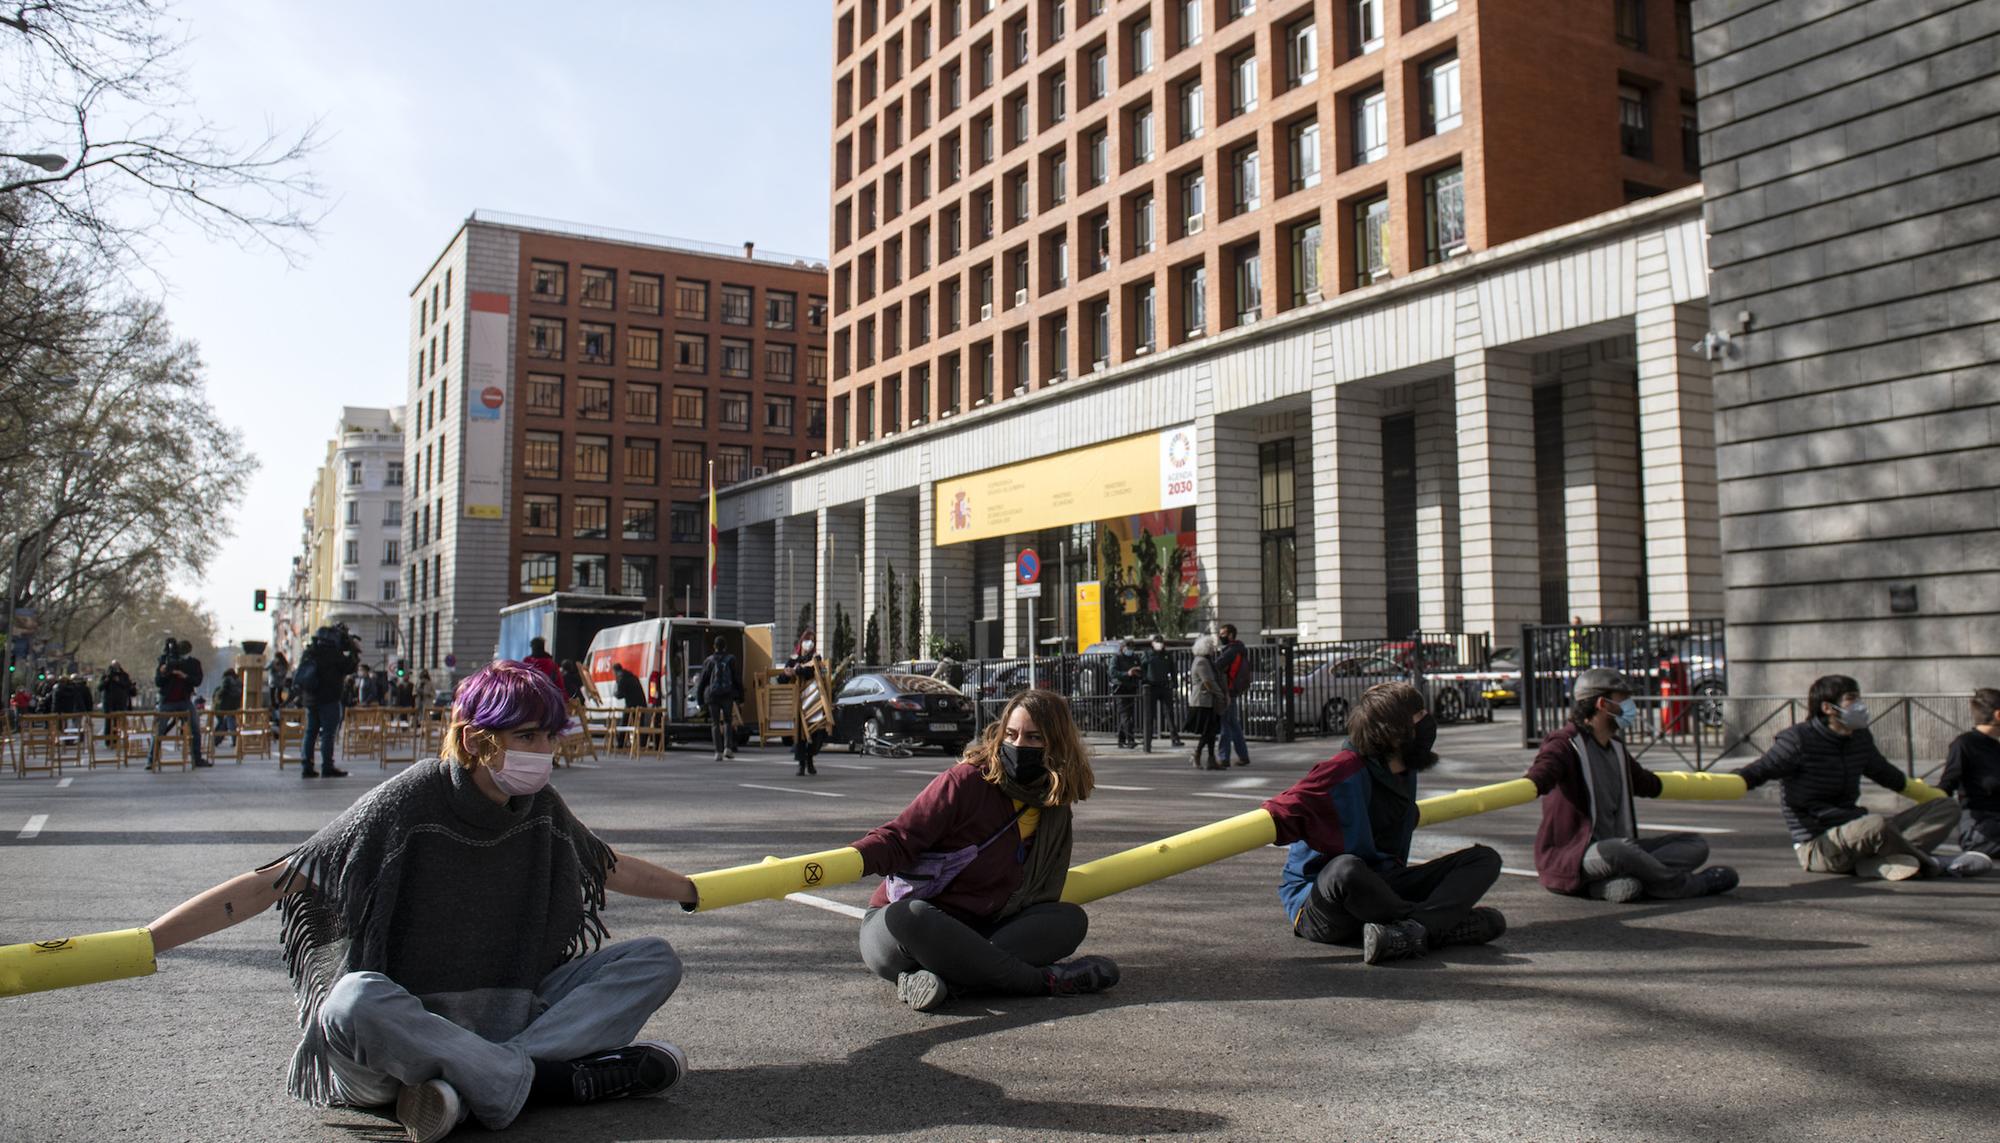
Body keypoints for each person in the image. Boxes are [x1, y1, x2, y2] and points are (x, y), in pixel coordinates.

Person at [139, 660, 698, 1141]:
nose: (545, 752)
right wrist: (147, 942)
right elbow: (272, 882)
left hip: (502, 1020)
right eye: (529, 737)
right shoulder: (407, 800)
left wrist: (692, 891)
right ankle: (544, 1081)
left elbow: (609, 867)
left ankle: (474, 1085)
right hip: (395, 1050)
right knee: (352, 1000)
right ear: (479, 739)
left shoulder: (541, 809)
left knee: (652, 960)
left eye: (551, 737)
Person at [854, 688, 1120, 1013]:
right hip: (908, 930)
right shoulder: (967, 781)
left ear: (1057, 744)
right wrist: (851, 860)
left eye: (1034, 738)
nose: (1019, 745)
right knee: (909, 915)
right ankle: (1043, 982)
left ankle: (940, 982)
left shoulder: (1053, 804)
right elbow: (901, 837)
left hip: (982, 928)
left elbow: (1039, 894)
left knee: (1068, 920)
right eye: (1011, 734)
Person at [1262, 681, 1505, 965]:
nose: (1428, 722)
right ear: (1395, 732)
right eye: (1419, 716)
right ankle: (1436, 925)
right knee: (1347, 869)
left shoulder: (1405, 771)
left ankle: (1413, 930)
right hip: (1322, 904)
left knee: (1483, 859)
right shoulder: (1341, 771)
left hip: (1385, 887)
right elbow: (1280, 809)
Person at [1527, 668, 1739, 903]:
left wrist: (1719, 783)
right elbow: (1544, 769)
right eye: (1623, 699)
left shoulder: (1616, 747)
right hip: (1574, 856)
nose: (1631, 706)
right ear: (1602, 704)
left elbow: (1647, 783)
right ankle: (1685, 885)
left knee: (1694, 845)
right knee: (1619, 850)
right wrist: (1533, 782)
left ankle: (1608, 887)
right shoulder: (1565, 744)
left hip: (1621, 850)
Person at [1733, 674, 1964, 881]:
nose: (1860, 706)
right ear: (1828, 708)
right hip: (1820, 845)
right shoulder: (1798, 740)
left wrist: (1931, 794)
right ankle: (1930, 864)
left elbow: (1887, 774)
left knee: (1946, 807)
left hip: (1857, 830)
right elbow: (1760, 770)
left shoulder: (1859, 737)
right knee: (1876, 825)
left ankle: (1884, 861)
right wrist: (1727, 783)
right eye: (1852, 699)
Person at [1937, 688, 2000, 870]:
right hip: (1980, 829)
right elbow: (1948, 783)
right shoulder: (1965, 744)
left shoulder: (1996, 747)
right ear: (1998, 715)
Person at [298, 625, 360, 779]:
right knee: (328, 734)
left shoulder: (309, 652)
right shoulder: (333, 654)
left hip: (310, 699)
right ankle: (327, 766)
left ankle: (307, 766)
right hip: (329, 699)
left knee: (310, 732)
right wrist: (352, 648)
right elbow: (350, 666)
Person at [778, 629, 829, 777]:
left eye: (812, 640)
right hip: (799, 703)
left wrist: (798, 671)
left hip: (814, 702)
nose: (810, 643)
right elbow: (782, 679)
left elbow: (812, 671)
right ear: (802, 641)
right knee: (800, 735)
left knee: (817, 733)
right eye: (807, 640)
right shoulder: (793, 659)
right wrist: (788, 673)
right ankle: (802, 765)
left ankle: (810, 758)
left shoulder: (816, 658)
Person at [150, 639, 208, 769]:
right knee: (159, 730)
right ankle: (151, 759)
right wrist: (164, 672)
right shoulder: (165, 661)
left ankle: (197, 758)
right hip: (167, 701)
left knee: (195, 728)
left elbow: (197, 681)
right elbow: (158, 682)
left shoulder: (193, 663)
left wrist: (184, 676)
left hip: (184, 701)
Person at [693, 637, 741, 762]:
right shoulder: (731, 659)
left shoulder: (709, 661)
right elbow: (736, 679)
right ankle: (728, 748)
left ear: (714, 647)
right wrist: (740, 694)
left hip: (712, 696)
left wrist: (700, 700)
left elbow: (703, 681)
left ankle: (717, 752)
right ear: (725, 647)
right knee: (727, 721)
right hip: (727, 695)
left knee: (714, 723)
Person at [1211, 624, 1253, 767]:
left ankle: (1224, 758)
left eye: (1222, 634)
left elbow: (1215, 666)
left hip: (1227, 691)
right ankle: (1243, 755)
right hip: (1233, 690)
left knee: (1225, 726)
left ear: (1230, 635)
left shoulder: (1230, 651)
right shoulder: (1239, 649)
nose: (1220, 636)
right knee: (1233, 724)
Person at [1186, 634, 1226, 771]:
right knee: (1208, 731)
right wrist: (1220, 695)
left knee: (1212, 731)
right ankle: (1197, 753)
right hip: (1203, 701)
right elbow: (1208, 682)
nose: (1213, 649)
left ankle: (1211, 758)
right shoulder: (1202, 661)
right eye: (1211, 647)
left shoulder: (1206, 661)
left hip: (1208, 701)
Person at [1141, 635, 1181, 749]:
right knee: (1150, 714)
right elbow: (1142, 669)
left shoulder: (1167, 655)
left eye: (1161, 642)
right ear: (1152, 643)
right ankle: (1147, 740)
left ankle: (1175, 738)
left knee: (1169, 713)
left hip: (1164, 685)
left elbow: (1173, 670)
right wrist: (1144, 682)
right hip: (1151, 686)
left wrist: (1174, 684)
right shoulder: (1147, 655)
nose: (1159, 644)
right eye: (1157, 642)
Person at [1110, 639, 1143, 750]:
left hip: (1131, 689)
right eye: (1128, 647)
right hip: (1120, 689)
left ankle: (1121, 740)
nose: (1130, 650)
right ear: (1122, 647)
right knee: (1126, 716)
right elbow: (1112, 672)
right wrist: (1126, 673)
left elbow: (1141, 670)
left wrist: (1137, 672)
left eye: (1132, 648)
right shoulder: (1117, 658)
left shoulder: (1134, 657)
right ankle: (1130, 740)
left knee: (1128, 716)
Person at [97, 660, 135, 747]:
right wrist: (107, 680)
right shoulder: (106, 675)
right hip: (109, 703)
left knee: (119, 722)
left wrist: (118, 681)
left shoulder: (124, 675)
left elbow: (128, 686)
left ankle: (117, 739)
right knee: (108, 722)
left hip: (120, 703)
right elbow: (100, 687)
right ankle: (108, 741)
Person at [215, 667, 245, 746]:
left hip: (227, 704)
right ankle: (216, 740)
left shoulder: (227, 679)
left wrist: (218, 695)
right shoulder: (239, 681)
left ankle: (234, 740)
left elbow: (224, 690)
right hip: (236, 704)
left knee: (229, 723)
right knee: (226, 722)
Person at [611, 663, 647, 728]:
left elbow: (619, 695)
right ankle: (641, 738)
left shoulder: (622, 678)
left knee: (624, 723)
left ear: (614, 671)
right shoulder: (631, 676)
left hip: (632, 705)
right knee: (639, 724)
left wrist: (614, 693)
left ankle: (620, 737)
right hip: (642, 703)